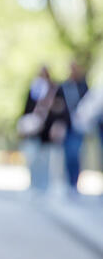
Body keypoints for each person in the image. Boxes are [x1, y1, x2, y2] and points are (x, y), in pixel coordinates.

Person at [49, 60, 89, 195]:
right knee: (66, 154)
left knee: (74, 154)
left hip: (78, 126)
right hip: (66, 126)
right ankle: (68, 183)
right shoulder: (63, 87)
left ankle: (74, 183)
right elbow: (56, 106)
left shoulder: (83, 86)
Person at [18, 65, 57, 194]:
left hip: (45, 132)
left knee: (44, 159)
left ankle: (44, 186)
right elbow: (26, 108)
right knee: (32, 157)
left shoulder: (53, 90)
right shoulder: (34, 89)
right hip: (32, 131)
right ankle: (34, 184)